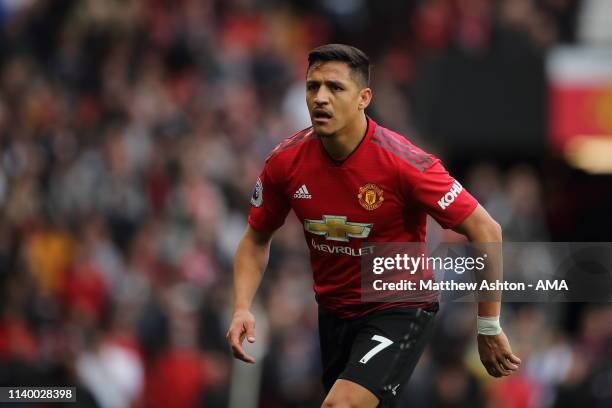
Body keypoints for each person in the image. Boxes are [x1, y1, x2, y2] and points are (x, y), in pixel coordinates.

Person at [226, 44, 521, 408]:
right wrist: (242, 306)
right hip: (334, 313)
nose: (320, 98)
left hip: (398, 306)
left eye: (335, 88)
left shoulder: (405, 163)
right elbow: (256, 238)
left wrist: (488, 325)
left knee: (340, 405)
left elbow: (486, 230)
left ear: (364, 97)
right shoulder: (284, 163)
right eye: (312, 86)